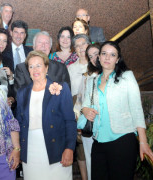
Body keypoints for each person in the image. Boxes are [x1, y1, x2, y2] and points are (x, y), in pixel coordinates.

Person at [78, 41, 153, 179]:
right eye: (104, 54)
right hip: (98, 141)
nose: (107, 58)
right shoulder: (92, 81)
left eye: (112, 55)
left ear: (117, 59)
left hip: (123, 139)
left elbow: (137, 109)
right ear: (99, 57)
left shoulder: (126, 77)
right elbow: (84, 105)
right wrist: (85, 110)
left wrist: (143, 142)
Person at [16, 50, 77, 180]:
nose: (35, 69)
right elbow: (19, 123)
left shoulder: (61, 88)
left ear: (46, 67)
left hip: (56, 148)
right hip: (31, 149)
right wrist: (18, 149)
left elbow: (70, 121)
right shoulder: (22, 93)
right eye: (31, 66)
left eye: (38, 65)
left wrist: (69, 148)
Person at [73, 43, 100, 180]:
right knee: (91, 163)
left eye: (97, 53)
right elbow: (79, 102)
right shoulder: (87, 76)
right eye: (91, 56)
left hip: (109, 128)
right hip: (90, 125)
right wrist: (83, 112)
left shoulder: (116, 75)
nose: (94, 58)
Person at [67, 34, 91, 180]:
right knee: (81, 148)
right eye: (77, 45)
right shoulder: (70, 68)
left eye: (84, 44)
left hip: (95, 109)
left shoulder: (97, 64)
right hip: (76, 110)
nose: (81, 48)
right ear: (74, 49)